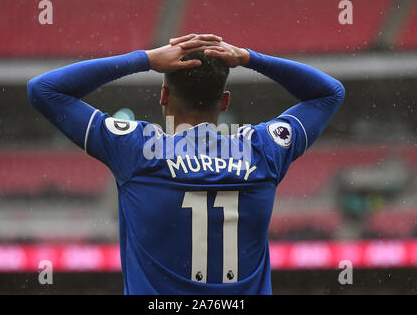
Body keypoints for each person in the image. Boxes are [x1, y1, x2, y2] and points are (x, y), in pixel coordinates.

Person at [27, 33, 345, 294]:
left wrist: (145, 59)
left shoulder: (136, 149)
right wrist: (249, 57)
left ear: (164, 96)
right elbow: (328, 94)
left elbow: (44, 90)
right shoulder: (262, 151)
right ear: (225, 101)